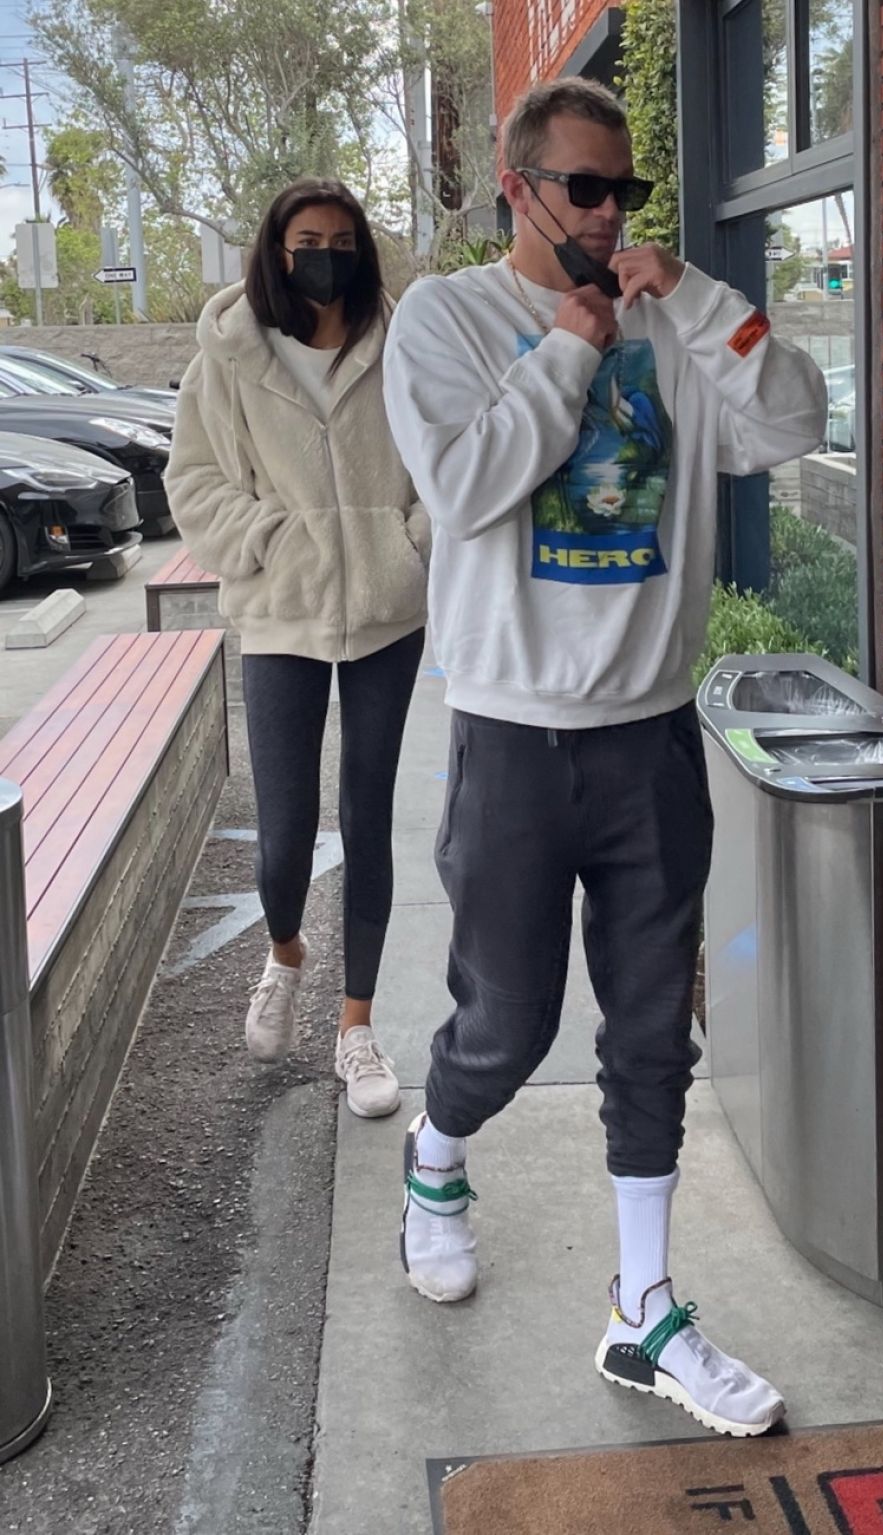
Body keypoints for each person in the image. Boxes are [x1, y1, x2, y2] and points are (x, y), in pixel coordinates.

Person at [383, 80, 826, 1436]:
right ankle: (436, 1152)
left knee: (649, 1033)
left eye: (624, 190)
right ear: (517, 187)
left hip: (650, 739)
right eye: (583, 188)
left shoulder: (675, 328)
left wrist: (697, 297)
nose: (608, 214)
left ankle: (645, 1304)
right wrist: (568, 353)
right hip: (512, 737)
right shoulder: (447, 319)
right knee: (506, 1025)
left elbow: (792, 420)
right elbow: (464, 489)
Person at [167, 178, 429, 1119]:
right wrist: (269, 540)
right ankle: (285, 952)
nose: (326, 255)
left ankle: (356, 1026)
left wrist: (410, 543)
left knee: (368, 817)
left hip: (387, 615)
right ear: (278, 252)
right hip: (282, 613)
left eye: (342, 240)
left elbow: (440, 458)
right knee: (284, 832)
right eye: (308, 241)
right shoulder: (232, 350)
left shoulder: (398, 340)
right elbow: (193, 480)